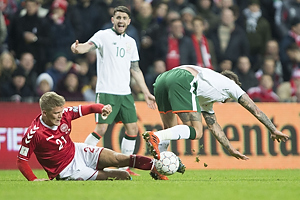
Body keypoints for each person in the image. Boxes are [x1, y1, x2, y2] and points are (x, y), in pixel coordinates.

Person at [70, 6, 156, 176]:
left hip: (125, 93)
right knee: (101, 129)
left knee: (132, 129)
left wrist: (146, 92)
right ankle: (79, 161)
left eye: (124, 18)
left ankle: (124, 168)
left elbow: (136, 69)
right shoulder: (103, 36)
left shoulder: (131, 42)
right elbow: (88, 46)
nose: (121, 21)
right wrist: (77, 49)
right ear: (113, 20)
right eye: (118, 17)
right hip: (107, 92)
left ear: (129, 21)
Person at [142, 65, 289, 161]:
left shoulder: (208, 93)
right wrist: (273, 129)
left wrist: (230, 149)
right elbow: (255, 109)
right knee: (197, 132)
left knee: (170, 128)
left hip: (163, 78)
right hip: (183, 79)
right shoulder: (231, 85)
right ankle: (156, 136)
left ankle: (158, 166)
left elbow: (213, 126)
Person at [17, 91, 169, 181]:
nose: (59, 115)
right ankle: (105, 173)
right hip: (67, 170)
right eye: (56, 113)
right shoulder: (35, 132)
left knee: (118, 158)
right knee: (122, 176)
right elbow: (21, 161)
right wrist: (34, 179)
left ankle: (156, 167)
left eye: (60, 111)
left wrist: (102, 108)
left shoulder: (65, 114)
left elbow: (88, 108)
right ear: (44, 112)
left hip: (77, 151)